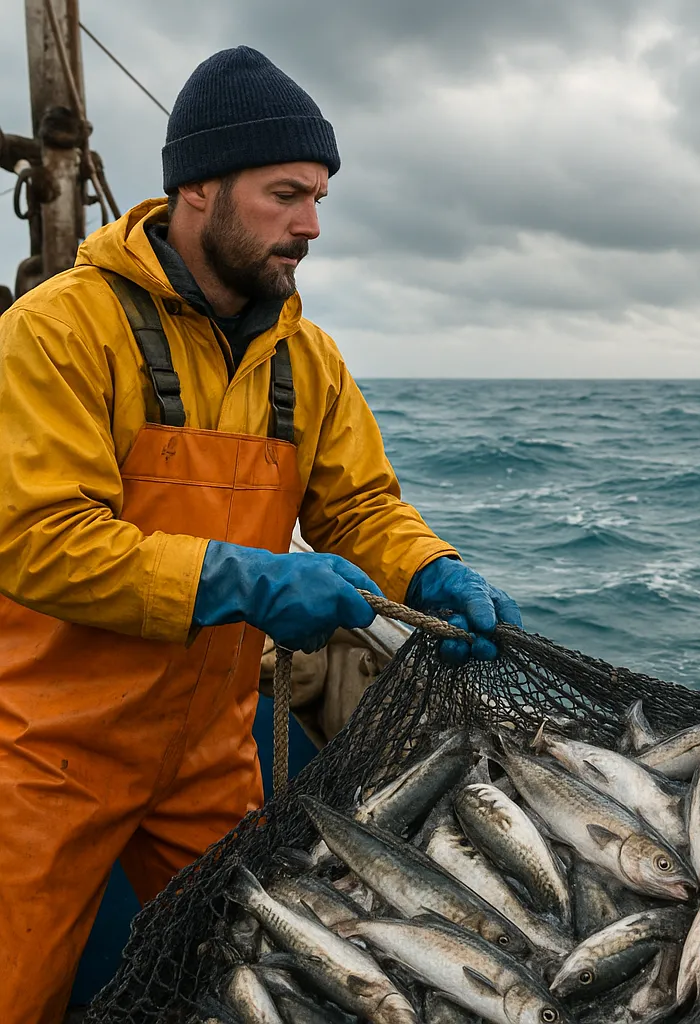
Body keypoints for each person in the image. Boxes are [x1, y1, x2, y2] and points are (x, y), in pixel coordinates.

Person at [0, 46, 521, 1022]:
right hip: (43, 751)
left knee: (264, 989)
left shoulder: (306, 357)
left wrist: (430, 565)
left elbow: (359, 504)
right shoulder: (57, 330)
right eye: (286, 194)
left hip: (210, 748)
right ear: (197, 188)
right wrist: (247, 580)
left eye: (319, 197)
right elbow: (37, 540)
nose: (311, 225)